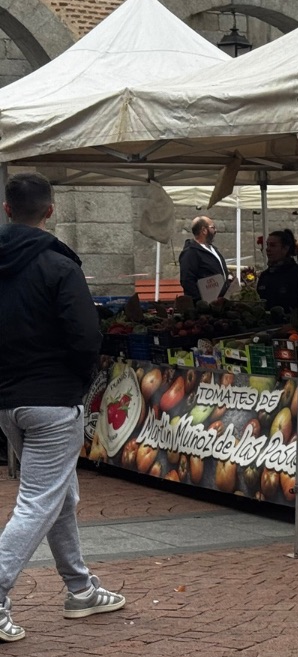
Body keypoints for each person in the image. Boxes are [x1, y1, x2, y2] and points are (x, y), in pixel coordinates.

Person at [0, 172, 126, 642]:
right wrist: (77, 379)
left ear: (8, 209)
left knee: (60, 496)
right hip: (53, 398)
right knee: (38, 501)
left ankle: (80, 588)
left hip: (9, 399)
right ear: (50, 211)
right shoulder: (59, 265)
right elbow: (85, 336)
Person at [179, 215, 231, 301]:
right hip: (206, 304)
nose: (215, 230)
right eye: (213, 227)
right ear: (204, 230)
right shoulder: (191, 252)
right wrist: (200, 301)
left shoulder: (213, 249)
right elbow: (187, 280)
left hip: (220, 301)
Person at [257, 229, 298, 311]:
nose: (268, 249)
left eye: (273, 245)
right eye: (267, 245)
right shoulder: (265, 276)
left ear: (285, 248)